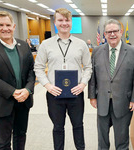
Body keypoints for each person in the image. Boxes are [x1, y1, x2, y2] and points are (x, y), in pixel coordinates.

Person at [34, 8, 92, 150]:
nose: (64, 23)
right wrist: (48, 86)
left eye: (67, 20)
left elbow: (88, 67)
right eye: (60, 20)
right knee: (58, 127)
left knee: (78, 125)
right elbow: (38, 68)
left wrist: (83, 84)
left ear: (71, 22)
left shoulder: (81, 44)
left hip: (76, 93)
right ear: (55, 22)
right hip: (54, 94)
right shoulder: (46, 44)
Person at [88, 19, 134, 150]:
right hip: (102, 101)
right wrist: (92, 96)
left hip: (124, 102)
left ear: (121, 32)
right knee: (102, 139)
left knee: (122, 139)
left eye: (115, 31)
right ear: (104, 34)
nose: (112, 34)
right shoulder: (96, 51)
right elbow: (92, 76)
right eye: (108, 32)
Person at [0, 11, 35, 150]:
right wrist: (13, 92)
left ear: (13, 26)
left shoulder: (23, 45)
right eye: (0, 25)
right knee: (3, 142)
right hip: (1, 102)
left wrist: (28, 89)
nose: (5, 28)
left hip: (23, 101)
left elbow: (31, 71)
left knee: (20, 136)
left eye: (8, 25)